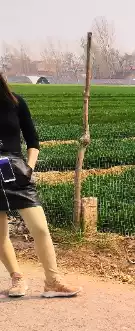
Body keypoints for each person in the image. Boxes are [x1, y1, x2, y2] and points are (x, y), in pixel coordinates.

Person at [0, 73, 82, 298]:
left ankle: (53, 281)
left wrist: (29, 168)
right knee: (0, 234)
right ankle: (17, 279)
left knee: (40, 228)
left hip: (14, 169)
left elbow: (33, 141)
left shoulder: (15, 102)